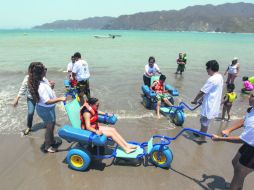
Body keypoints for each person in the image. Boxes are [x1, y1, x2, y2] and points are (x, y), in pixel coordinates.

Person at [212, 91, 254, 190]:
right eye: (251, 95)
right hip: (250, 143)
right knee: (235, 162)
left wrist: (221, 139)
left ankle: (235, 186)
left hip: (251, 146)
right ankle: (238, 184)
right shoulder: (252, 109)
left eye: (253, 96)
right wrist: (229, 129)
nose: (249, 97)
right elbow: (244, 120)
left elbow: (242, 139)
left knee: (239, 171)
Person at [29, 62, 66, 153]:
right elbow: (47, 101)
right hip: (45, 109)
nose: (46, 70)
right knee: (49, 128)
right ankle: (47, 146)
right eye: (44, 69)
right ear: (41, 72)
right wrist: (60, 99)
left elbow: (48, 92)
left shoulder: (43, 79)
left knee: (52, 125)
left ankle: (52, 141)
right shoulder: (40, 86)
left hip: (48, 108)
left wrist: (51, 86)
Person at [191, 60, 223, 142]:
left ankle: (202, 138)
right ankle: (201, 133)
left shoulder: (212, 79)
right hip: (214, 103)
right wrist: (202, 98)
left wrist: (195, 100)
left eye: (207, 68)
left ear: (211, 68)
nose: (206, 70)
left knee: (204, 122)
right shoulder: (220, 77)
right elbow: (211, 91)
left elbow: (202, 92)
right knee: (204, 121)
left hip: (209, 104)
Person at [13, 63, 37, 135]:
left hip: (40, 98)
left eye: (34, 71)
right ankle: (29, 126)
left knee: (44, 111)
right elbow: (22, 89)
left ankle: (48, 124)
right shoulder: (27, 78)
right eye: (31, 71)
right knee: (30, 113)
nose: (32, 73)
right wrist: (17, 99)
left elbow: (45, 85)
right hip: (31, 99)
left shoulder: (40, 77)